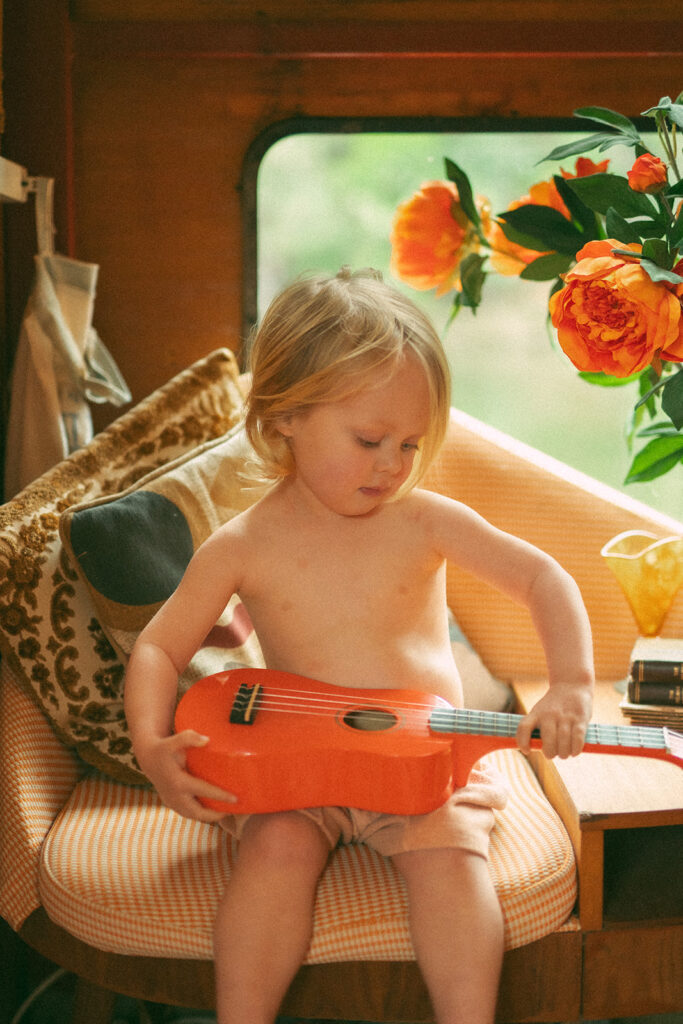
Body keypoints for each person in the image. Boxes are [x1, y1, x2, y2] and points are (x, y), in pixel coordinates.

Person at [124, 267, 594, 1024]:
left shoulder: (425, 520)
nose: (393, 465)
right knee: (272, 853)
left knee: (450, 865)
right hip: (296, 770)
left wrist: (570, 681)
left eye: (410, 443)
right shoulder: (242, 545)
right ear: (284, 417)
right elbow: (157, 650)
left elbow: (542, 578)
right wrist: (152, 745)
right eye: (369, 439)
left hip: (423, 763)